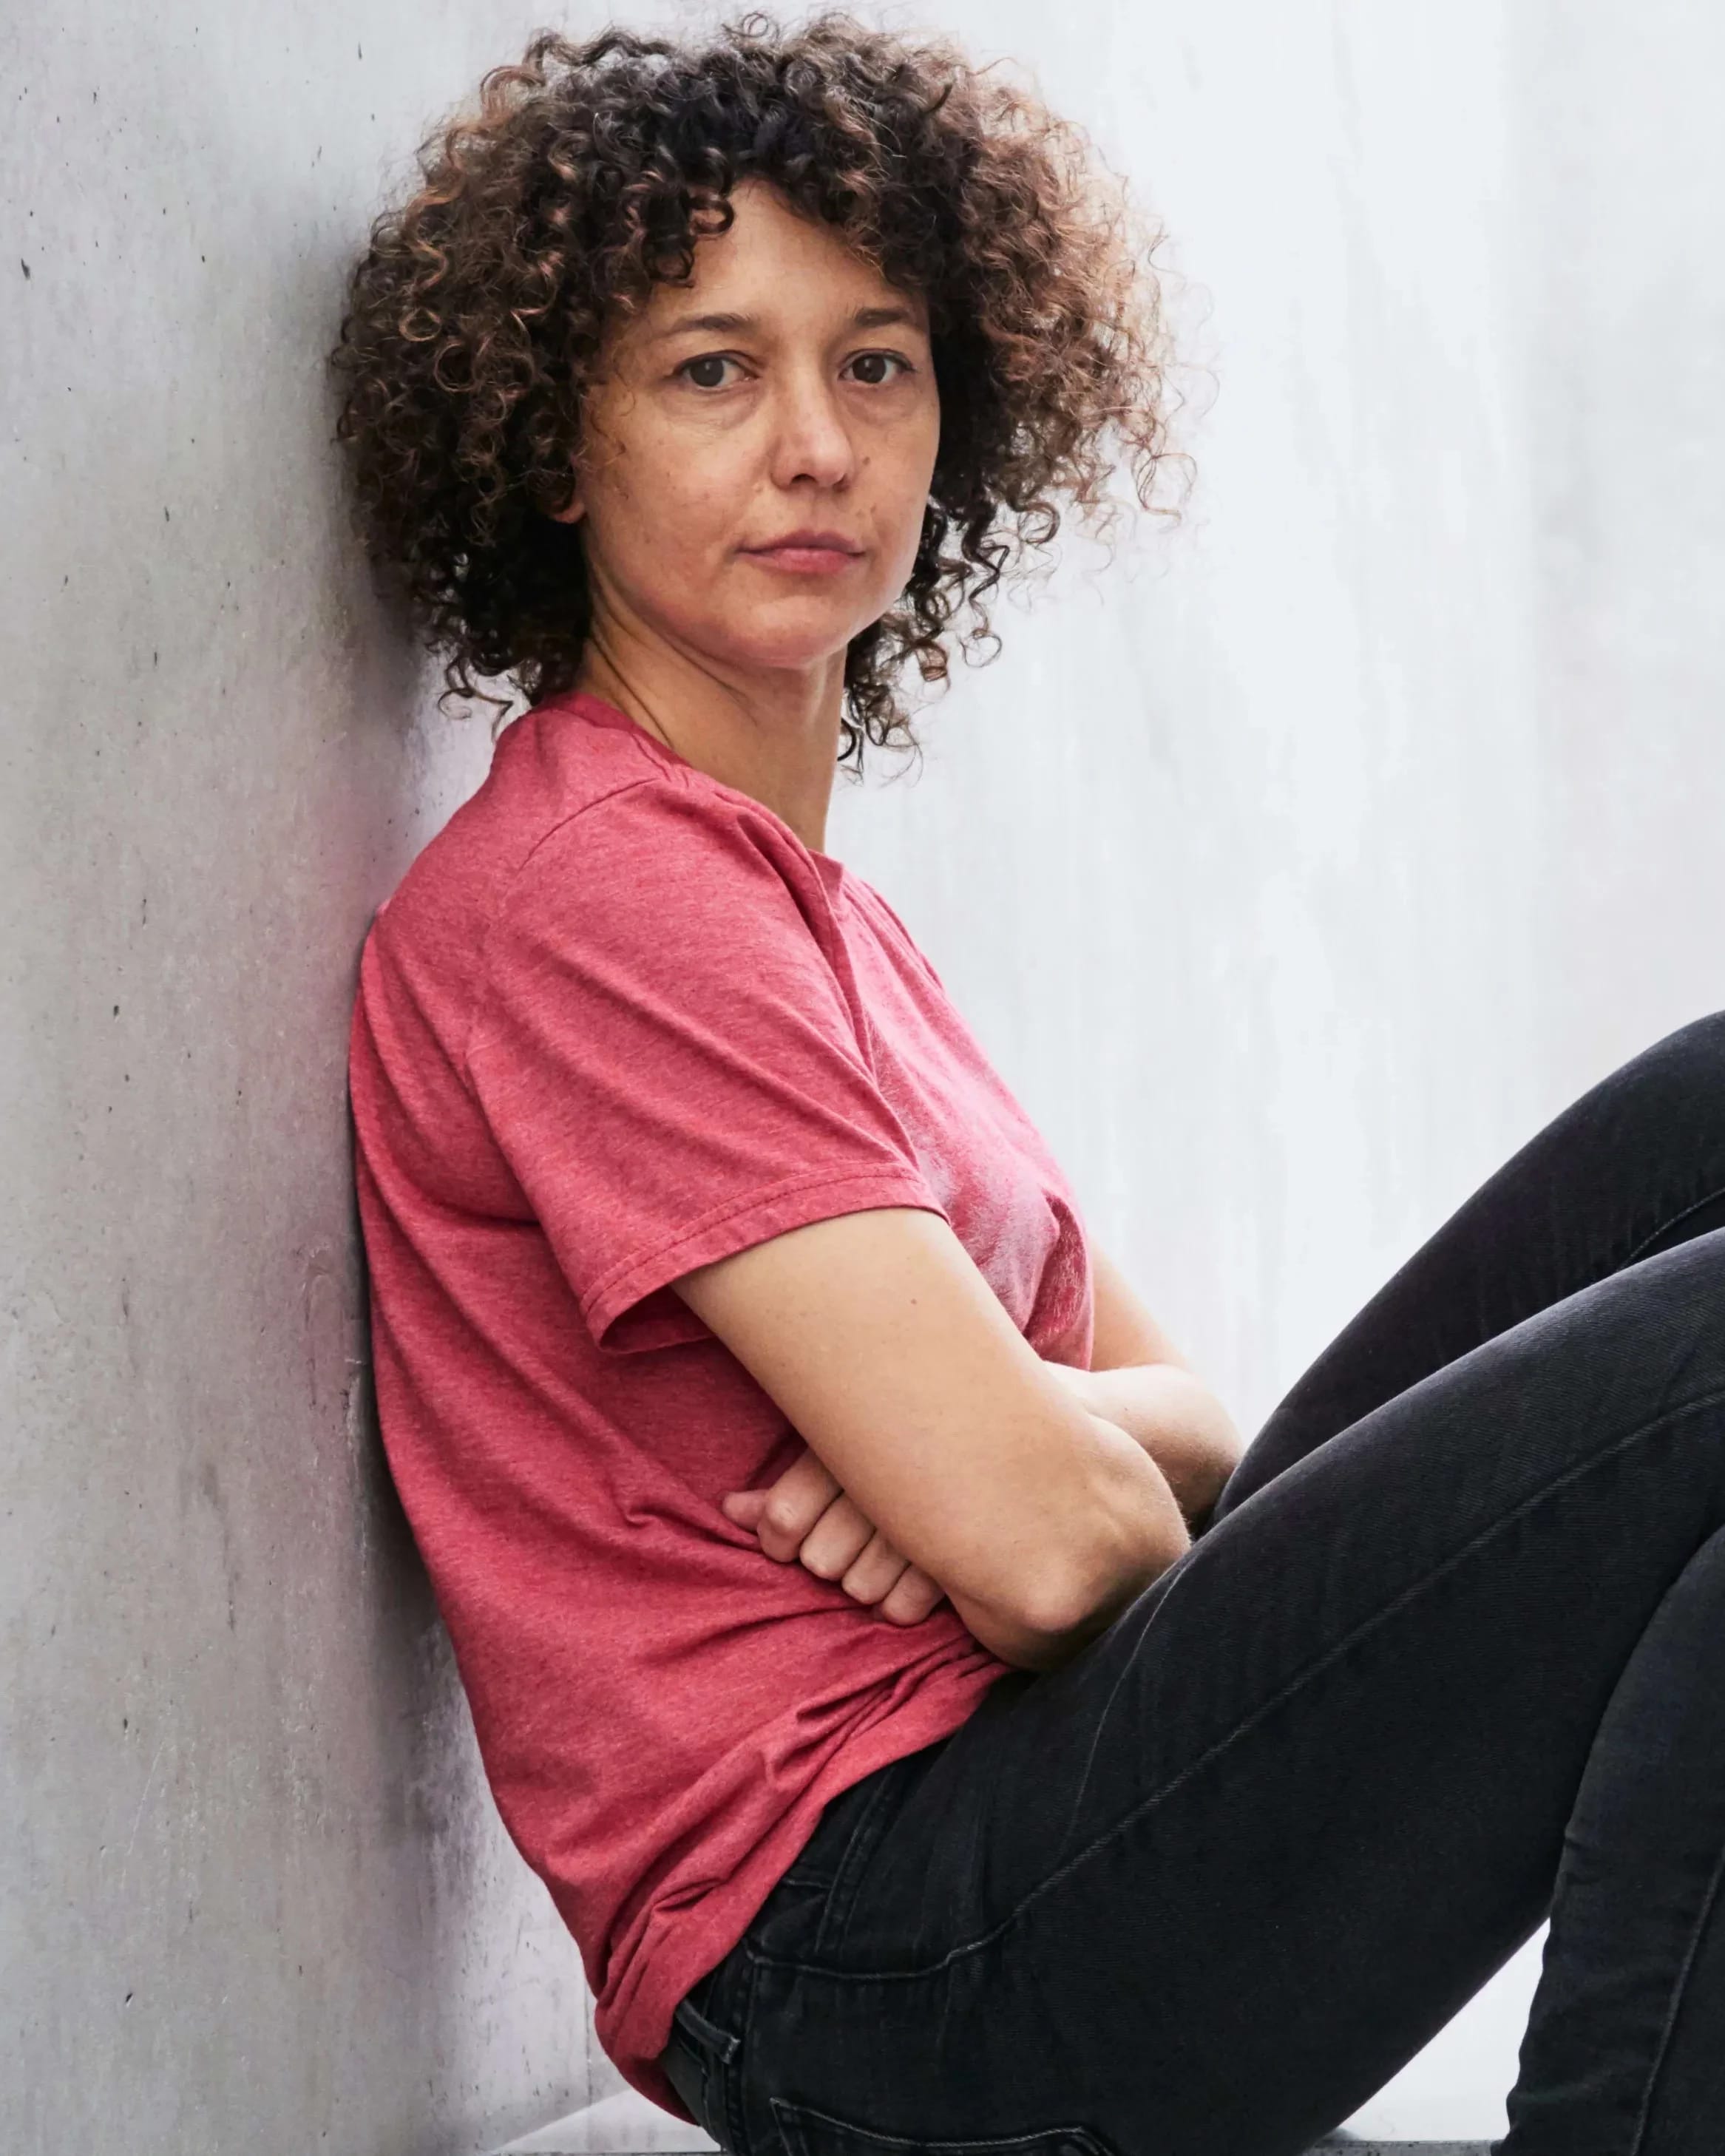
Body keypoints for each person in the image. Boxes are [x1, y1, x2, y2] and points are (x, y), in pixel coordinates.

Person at [331, 16, 1725, 2155]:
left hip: (1047, 1790)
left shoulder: (819, 918)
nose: (815, 443)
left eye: (874, 362)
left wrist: (1012, 1435)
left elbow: (1176, 1440)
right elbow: (1072, 1552)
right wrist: (1015, 1477)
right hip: (894, 1952)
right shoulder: (593, 897)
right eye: (715, 369)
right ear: (555, 441)